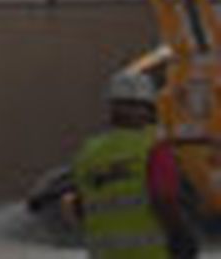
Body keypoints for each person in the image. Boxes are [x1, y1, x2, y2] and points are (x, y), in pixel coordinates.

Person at [72, 69, 195, 259]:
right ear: (149, 109)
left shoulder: (88, 153)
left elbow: (80, 207)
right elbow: (164, 199)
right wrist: (181, 235)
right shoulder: (154, 148)